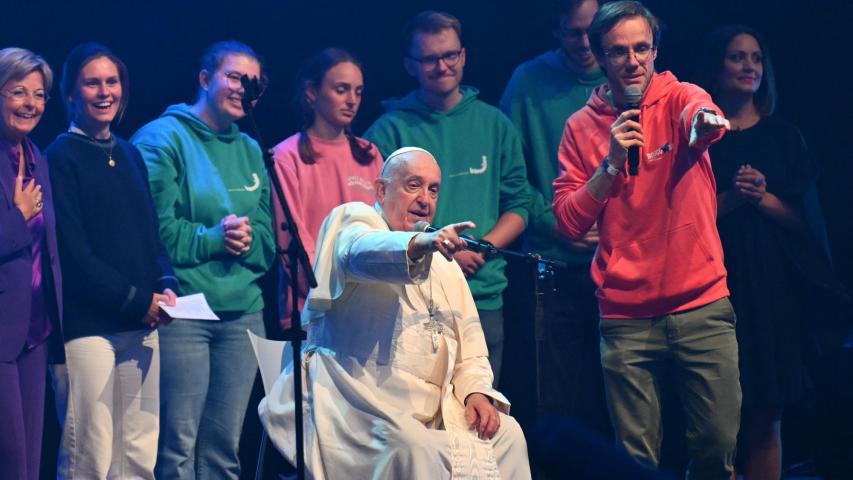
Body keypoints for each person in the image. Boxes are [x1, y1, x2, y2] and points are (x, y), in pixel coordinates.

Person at [259, 147, 532, 479]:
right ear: (381, 189)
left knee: (509, 435)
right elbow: (360, 254)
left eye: (432, 189)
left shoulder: (445, 265)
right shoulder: (354, 221)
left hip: (435, 410)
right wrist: (420, 243)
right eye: (413, 185)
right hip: (358, 402)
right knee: (413, 447)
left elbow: (470, 346)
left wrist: (476, 391)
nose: (425, 199)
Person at [551, 2, 740, 478]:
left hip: (701, 304)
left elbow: (703, 117)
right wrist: (610, 163)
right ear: (598, 57)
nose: (633, 60)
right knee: (634, 461)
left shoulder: (680, 96)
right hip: (625, 317)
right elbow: (569, 223)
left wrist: (706, 124)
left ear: (655, 49)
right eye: (618, 51)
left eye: (641, 48)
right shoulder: (580, 127)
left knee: (717, 446)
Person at [694, 25, 844, 480]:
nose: (749, 67)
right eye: (738, 58)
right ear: (717, 69)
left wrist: (762, 197)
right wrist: (732, 201)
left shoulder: (784, 137)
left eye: (756, 58)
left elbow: (810, 227)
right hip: (713, 290)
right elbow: (685, 222)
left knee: (766, 413)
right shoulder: (699, 140)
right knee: (716, 422)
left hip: (772, 294)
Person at [131, 40, 276, 479]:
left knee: (224, 450)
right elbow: (151, 234)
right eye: (234, 77)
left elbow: (270, 238)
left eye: (253, 82)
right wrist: (213, 239)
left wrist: (247, 241)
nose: (243, 89)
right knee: (178, 448)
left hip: (243, 316)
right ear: (204, 78)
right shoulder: (163, 137)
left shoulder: (252, 148)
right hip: (185, 312)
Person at [365, 11, 531, 383]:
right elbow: (378, 217)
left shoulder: (494, 124)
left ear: (464, 56)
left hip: (481, 297)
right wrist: (440, 249)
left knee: (479, 416)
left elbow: (520, 204)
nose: (442, 66)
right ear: (410, 65)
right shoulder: (389, 129)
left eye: (450, 55)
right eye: (429, 58)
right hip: (411, 299)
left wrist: (481, 247)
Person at [45, 42, 178, 479]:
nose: (104, 92)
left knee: (138, 453)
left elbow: (150, 234)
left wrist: (166, 282)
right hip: (88, 329)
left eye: (112, 81)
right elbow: (74, 256)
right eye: (92, 83)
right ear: (70, 93)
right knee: (90, 455)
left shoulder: (129, 152)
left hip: (141, 325)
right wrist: (138, 300)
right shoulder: (59, 157)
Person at [499, 0, 608, 426]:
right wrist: (555, 222)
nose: (584, 43)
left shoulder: (626, 76)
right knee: (555, 399)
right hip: (553, 265)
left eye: (591, 31)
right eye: (573, 32)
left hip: (620, 266)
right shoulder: (528, 82)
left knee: (617, 398)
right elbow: (512, 176)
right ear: (557, 32)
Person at [272, 47, 382, 328]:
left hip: (367, 305)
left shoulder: (370, 154)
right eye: (341, 89)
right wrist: (325, 292)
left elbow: (384, 228)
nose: (352, 100)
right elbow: (292, 238)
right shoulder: (287, 156)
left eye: (358, 91)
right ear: (311, 93)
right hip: (313, 309)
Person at [0, 47, 62, 480]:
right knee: (10, 459)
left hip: (34, 331)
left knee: (29, 463)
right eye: (18, 91)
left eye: (39, 95)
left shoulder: (37, 157)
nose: (31, 104)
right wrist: (17, 217)